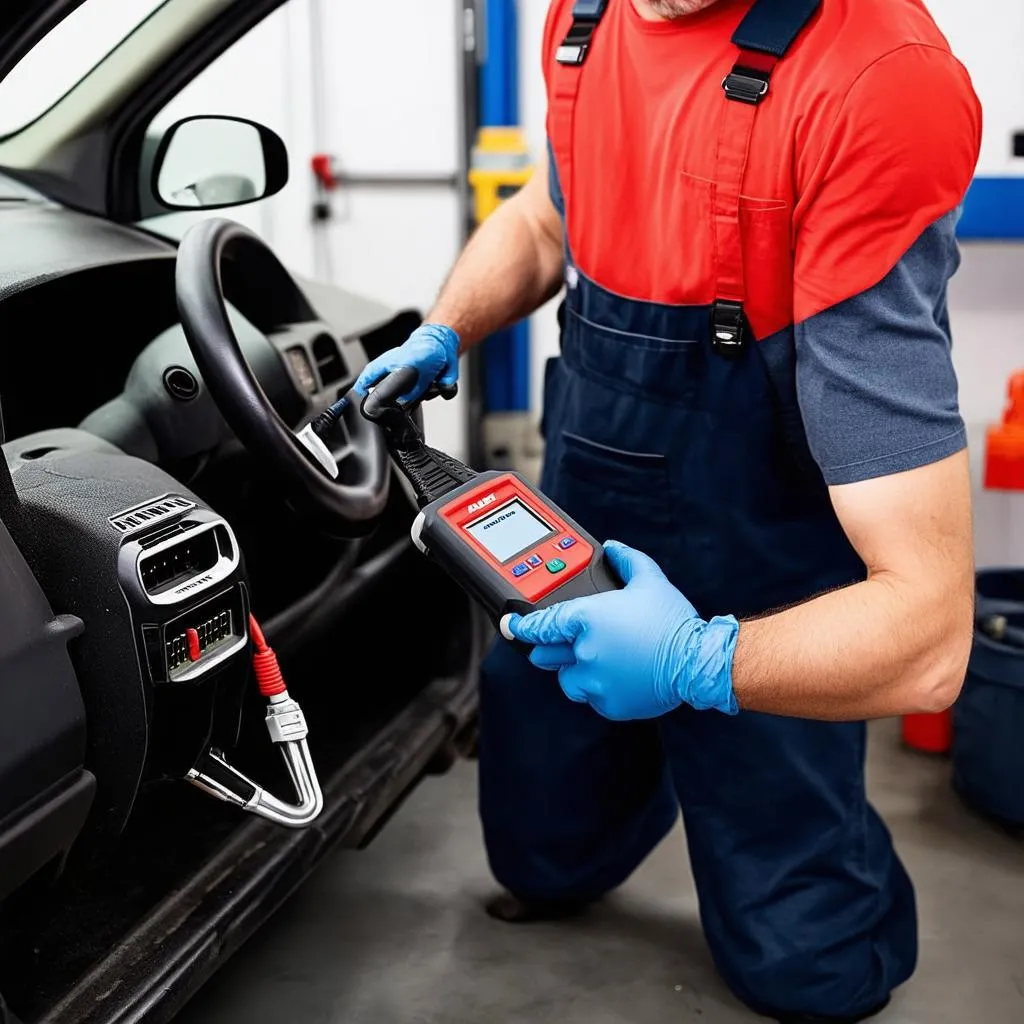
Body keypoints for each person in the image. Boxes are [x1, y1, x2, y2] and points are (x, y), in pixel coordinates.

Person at [354, 0, 982, 1019]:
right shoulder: (584, 19)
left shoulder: (875, 84)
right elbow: (546, 216)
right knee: (538, 863)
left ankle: (708, 748)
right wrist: (443, 331)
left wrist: (697, 663)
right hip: (586, 526)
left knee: (814, 974)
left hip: (766, 567)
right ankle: (652, 758)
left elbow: (929, 639)